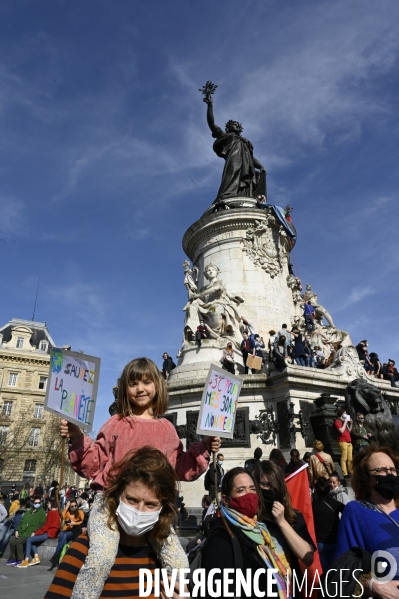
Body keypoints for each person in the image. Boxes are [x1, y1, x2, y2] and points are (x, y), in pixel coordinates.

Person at [61, 357, 220, 599]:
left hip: (153, 510)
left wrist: (206, 446)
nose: (140, 389)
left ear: (157, 385)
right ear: (125, 388)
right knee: (100, 558)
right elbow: (94, 462)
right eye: (133, 383)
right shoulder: (116, 423)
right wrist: (76, 435)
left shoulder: (166, 428)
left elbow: (180, 465)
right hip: (111, 505)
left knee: (179, 563)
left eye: (146, 382)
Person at [45, 447, 184, 599]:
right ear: (117, 496)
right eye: (131, 500)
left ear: (163, 508)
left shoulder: (164, 563)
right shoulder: (82, 552)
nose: (139, 511)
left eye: (151, 504)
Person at [200, 467, 291, 599]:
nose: (249, 494)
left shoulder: (258, 531)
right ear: (226, 499)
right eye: (241, 490)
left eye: (252, 489)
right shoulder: (222, 538)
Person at [336, 446, 399, 598]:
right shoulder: (356, 512)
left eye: (393, 469)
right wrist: (371, 586)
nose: (389, 474)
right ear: (366, 479)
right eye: (381, 470)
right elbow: (341, 576)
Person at [254, 460, 314, 595]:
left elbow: (308, 557)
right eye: (265, 485)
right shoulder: (249, 520)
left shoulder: (294, 517)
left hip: (289, 592)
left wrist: (282, 522)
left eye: (274, 486)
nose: (270, 490)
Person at [203, 92, 266, 202]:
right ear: (228, 128)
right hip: (233, 160)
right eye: (233, 124)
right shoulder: (225, 136)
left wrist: (260, 166)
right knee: (232, 175)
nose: (236, 125)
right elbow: (211, 124)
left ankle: (243, 198)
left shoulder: (245, 142)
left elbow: (251, 157)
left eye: (237, 125)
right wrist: (210, 105)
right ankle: (226, 196)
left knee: (247, 182)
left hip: (247, 165)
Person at [312, 477, 345, 571]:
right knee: (334, 570)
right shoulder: (336, 504)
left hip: (320, 542)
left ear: (316, 491)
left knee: (324, 571)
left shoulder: (312, 505)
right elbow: (348, 512)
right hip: (335, 540)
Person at [16, 498, 61, 567]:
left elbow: (46, 526)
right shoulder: (54, 512)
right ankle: (36, 557)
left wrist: (36, 532)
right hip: (51, 532)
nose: (47, 504)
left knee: (29, 539)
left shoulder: (52, 512)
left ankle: (26, 560)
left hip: (50, 533)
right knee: (32, 540)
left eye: (48, 503)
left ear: (51, 504)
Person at [5, 495, 46, 566]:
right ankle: (13, 558)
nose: (37, 504)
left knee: (19, 542)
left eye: (38, 503)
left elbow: (42, 524)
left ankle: (20, 559)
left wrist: (35, 531)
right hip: (22, 531)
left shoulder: (42, 512)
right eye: (35, 503)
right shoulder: (28, 512)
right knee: (12, 541)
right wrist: (17, 530)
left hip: (29, 533)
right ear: (33, 503)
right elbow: (21, 521)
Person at [49, 498, 84, 567]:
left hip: (73, 531)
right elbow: (61, 518)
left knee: (64, 536)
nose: (73, 507)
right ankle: (59, 560)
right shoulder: (67, 512)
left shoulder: (80, 512)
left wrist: (74, 523)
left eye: (75, 506)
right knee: (63, 539)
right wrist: (66, 507)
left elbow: (82, 521)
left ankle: (55, 555)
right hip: (66, 530)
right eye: (72, 506)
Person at [334, 404, 353, 478]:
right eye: (344, 413)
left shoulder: (344, 422)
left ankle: (351, 472)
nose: (345, 414)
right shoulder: (337, 421)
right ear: (341, 414)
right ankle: (345, 473)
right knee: (344, 458)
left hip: (349, 441)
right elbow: (341, 431)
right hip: (342, 441)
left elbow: (349, 431)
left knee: (350, 459)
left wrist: (350, 424)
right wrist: (345, 422)